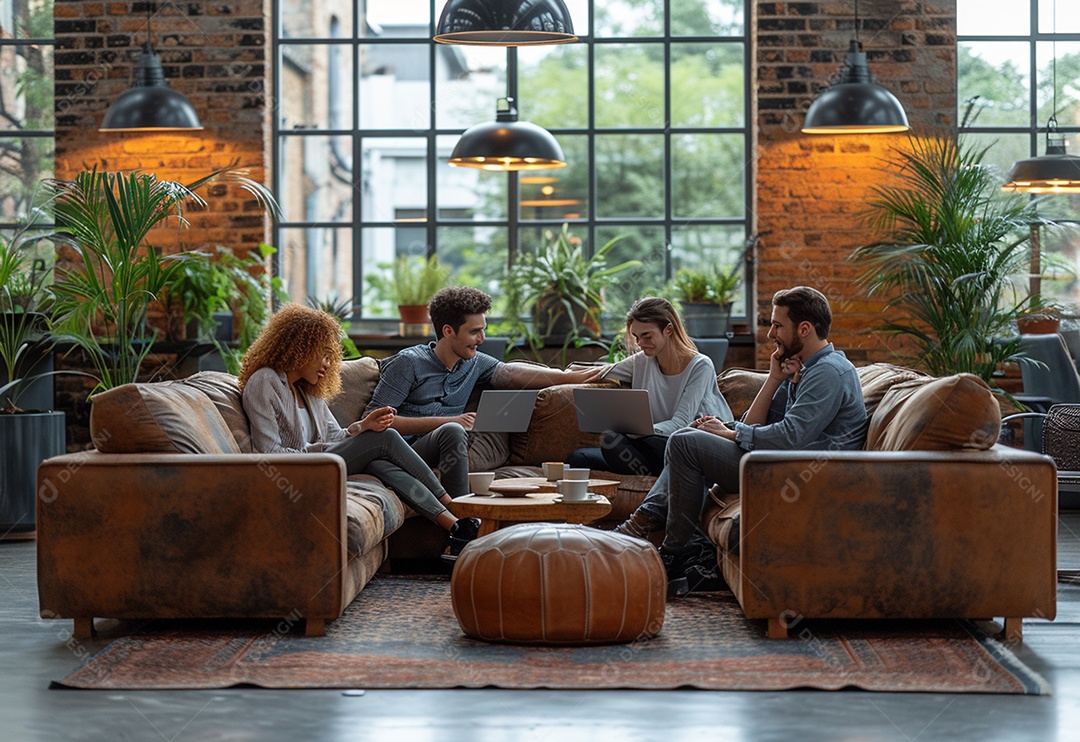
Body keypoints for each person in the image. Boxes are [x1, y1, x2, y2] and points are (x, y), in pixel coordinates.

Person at [614, 286, 867, 596]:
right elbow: (754, 425)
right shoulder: (800, 367)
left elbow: (789, 438)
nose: (771, 334)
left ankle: (666, 551)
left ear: (804, 329)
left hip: (798, 471)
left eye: (777, 326)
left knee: (683, 442)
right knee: (688, 438)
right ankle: (680, 547)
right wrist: (773, 380)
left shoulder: (828, 372)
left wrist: (729, 434)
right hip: (776, 459)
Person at [240, 303, 480, 561]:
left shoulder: (309, 392)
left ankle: (455, 527)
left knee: (380, 464)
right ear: (300, 347)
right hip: (298, 470)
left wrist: (362, 428)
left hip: (326, 461)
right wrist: (331, 447)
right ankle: (453, 504)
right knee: (385, 436)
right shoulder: (265, 381)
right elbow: (268, 453)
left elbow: (335, 436)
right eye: (324, 354)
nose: (328, 364)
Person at [364, 286, 608, 496]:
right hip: (404, 450)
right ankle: (461, 520)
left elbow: (511, 373)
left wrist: (567, 376)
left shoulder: (475, 362)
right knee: (452, 430)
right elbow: (374, 421)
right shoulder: (408, 363)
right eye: (474, 331)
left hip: (447, 448)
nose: (481, 338)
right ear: (448, 331)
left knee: (496, 409)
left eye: (483, 330)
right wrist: (451, 421)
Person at [566, 297, 732, 477]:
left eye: (647, 336)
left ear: (668, 330)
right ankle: (661, 473)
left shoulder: (701, 366)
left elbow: (680, 424)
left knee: (615, 440)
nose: (640, 344)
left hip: (691, 445)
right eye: (637, 337)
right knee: (579, 457)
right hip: (650, 442)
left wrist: (634, 432)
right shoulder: (642, 361)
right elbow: (598, 373)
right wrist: (563, 372)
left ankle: (669, 470)